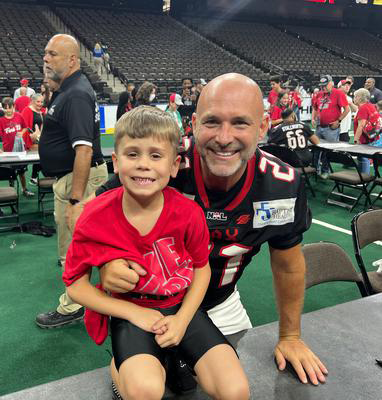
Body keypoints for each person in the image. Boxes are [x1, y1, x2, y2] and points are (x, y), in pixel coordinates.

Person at [84, 73, 328, 387]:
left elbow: (288, 266)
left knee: (209, 385)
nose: (224, 138)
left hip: (219, 302)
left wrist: (291, 336)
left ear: (263, 126)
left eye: (240, 123)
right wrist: (106, 262)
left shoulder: (282, 184)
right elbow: (86, 215)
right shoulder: (162, 162)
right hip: (146, 303)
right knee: (147, 384)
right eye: (212, 122)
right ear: (195, 123)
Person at [64, 105, 249, 400]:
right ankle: (122, 365)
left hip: (181, 308)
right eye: (132, 154)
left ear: (174, 165)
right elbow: (75, 285)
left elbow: (202, 269)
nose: (143, 164)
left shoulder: (188, 213)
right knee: (147, 391)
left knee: (235, 391)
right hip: (131, 312)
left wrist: (182, 319)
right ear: (115, 161)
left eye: (155, 155)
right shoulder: (94, 216)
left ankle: (171, 355)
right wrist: (135, 313)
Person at [35, 34, 108, 329]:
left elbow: (84, 149)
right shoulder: (69, 90)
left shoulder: (76, 93)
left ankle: (74, 306)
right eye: (45, 54)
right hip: (75, 178)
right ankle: (91, 299)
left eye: (52, 54)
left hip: (78, 180)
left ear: (72, 60)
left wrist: (77, 200)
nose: (46, 58)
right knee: (86, 245)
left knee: (74, 248)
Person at [312, 74, 350, 179]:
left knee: (327, 151)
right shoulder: (319, 94)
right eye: (322, 85)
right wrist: (313, 118)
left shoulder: (338, 93)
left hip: (331, 128)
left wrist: (338, 121)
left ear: (331, 84)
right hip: (319, 127)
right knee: (316, 149)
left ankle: (325, 170)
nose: (323, 87)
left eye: (325, 85)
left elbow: (347, 109)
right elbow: (315, 107)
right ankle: (315, 170)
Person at [0, 97, 34, 197]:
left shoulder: (19, 116)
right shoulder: (1, 120)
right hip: (8, 150)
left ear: (14, 107)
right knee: (10, 173)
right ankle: (12, 191)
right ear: (2, 108)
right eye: (5, 108)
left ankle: (24, 189)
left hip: (20, 150)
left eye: (10, 108)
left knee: (21, 172)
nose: (8, 110)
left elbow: (25, 127)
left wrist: (22, 132)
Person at [353, 88, 382, 174]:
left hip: (365, 139)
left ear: (359, 97)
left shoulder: (363, 108)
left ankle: (364, 179)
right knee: (364, 158)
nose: (354, 98)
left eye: (355, 96)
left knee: (363, 158)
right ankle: (363, 177)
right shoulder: (370, 106)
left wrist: (356, 139)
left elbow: (361, 125)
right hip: (373, 136)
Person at [21, 93, 45, 185]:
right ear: (32, 101)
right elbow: (24, 127)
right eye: (38, 102)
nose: (40, 104)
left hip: (39, 139)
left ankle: (34, 176)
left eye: (41, 102)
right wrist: (32, 136)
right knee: (43, 152)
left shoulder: (41, 111)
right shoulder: (27, 110)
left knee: (43, 154)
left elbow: (42, 125)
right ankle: (33, 177)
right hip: (29, 140)